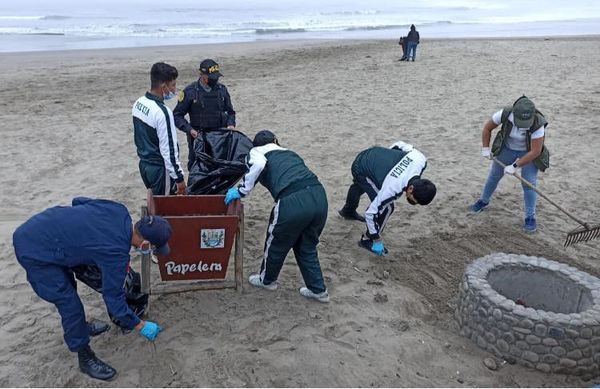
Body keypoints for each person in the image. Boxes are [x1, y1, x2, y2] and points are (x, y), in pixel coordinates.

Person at [12, 197, 170, 381]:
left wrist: (80, 234)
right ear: (145, 243)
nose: (150, 251)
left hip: (41, 226)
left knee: (70, 282)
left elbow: (77, 201)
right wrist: (140, 325)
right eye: (152, 248)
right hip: (34, 251)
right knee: (69, 304)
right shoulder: (115, 254)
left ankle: (81, 328)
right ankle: (85, 357)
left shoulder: (118, 210)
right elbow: (114, 300)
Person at [224, 130, 330, 303]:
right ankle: (318, 290)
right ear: (275, 140)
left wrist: (242, 190)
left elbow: (257, 165)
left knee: (275, 243)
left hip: (292, 200)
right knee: (307, 246)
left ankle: (267, 280)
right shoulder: (289, 152)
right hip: (319, 196)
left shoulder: (257, 151)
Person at [338, 140, 436, 256]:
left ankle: (348, 211)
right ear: (410, 189)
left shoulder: (420, 159)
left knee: (363, 185)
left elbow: (399, 144)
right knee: (388, 207)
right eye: (414, 200)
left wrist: (386, 158)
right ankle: (366, 240)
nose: (413, 203)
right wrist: (376, 239)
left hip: (372, 153)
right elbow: (370, 213)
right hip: (360, 167)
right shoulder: (392, 188)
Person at [471, 96, 549, 233]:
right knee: (494, 176)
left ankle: (530, 217)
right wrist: (485, 148)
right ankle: (483, 201)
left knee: (529, 184)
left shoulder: (538, 124)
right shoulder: (504, 114)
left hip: (528, 152)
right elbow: (487, 129)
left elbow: (536, 151)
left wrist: (515, 166)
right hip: (507, 148)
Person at [133, 62, 186, 196]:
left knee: (154, 202)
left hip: (144, 166)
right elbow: (168, 149)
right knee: (165, 208)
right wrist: (179, 178)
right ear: (163, 86)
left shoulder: (138, 103)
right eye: (173, 85)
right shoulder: (162, 112)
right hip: (159, 170)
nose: (175, 90)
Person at [174, 59, 236, 170]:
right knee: (196, 167)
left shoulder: (222, 90)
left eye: (216, 77)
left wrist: (231, 125)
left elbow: (230, 112)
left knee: (219, 167)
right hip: (198, 138)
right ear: (202, 75)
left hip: (219, 137)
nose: (215, 80)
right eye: (212, 78)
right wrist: (190, 130)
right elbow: (177, 115)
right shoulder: (190, 92)